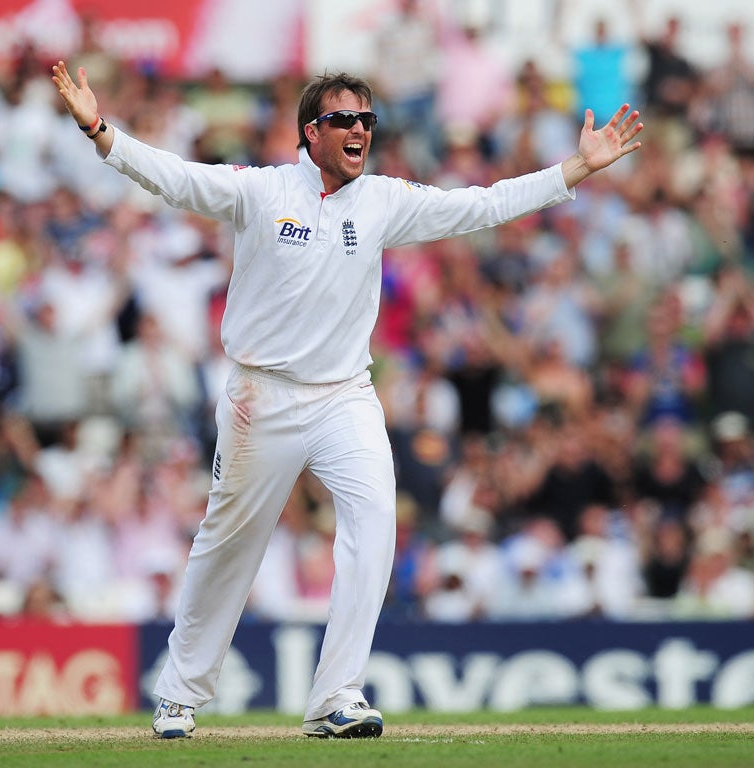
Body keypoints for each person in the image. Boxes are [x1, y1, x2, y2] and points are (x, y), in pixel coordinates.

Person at [50, 60, 643, 740]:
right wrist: (100, 129)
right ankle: (180, 694)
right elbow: (175, 178)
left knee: (375, 519)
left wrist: (572, 170)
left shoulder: (383, 201)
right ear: (312, 132)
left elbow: (479, 204)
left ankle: (336, 695)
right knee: (229, 545)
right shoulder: (262, 191)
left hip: (343, 395)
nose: (361, 129)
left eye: (367, 120)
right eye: (345, 120)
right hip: (258, 396)